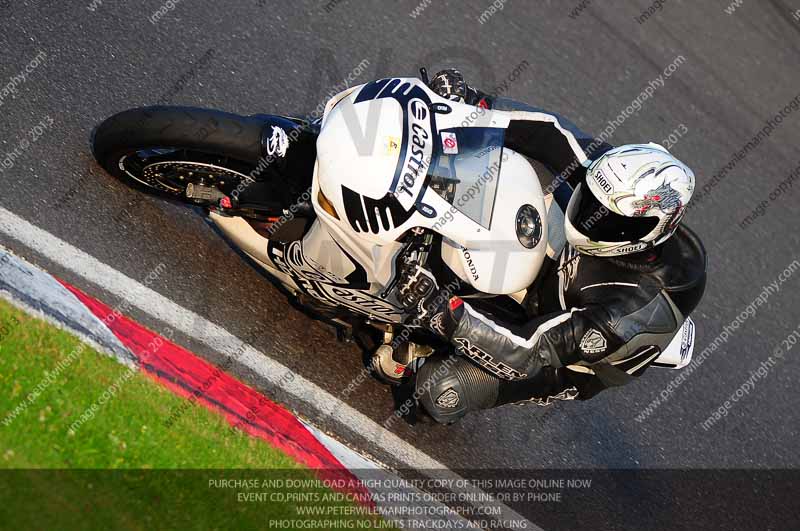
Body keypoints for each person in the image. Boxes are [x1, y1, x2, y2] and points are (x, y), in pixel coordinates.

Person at [397, 69, 707, 424]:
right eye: (591, 200)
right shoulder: (620, 179)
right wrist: (474, 103)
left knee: (440, 390)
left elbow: (531, 350)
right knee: (507, 164)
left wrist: (442, 310)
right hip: (567, 266)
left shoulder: (628, 311)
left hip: (564, 358)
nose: (590, 216)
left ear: (648, 231)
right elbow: (549, 134)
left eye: (607, 218)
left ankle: (418, 343)